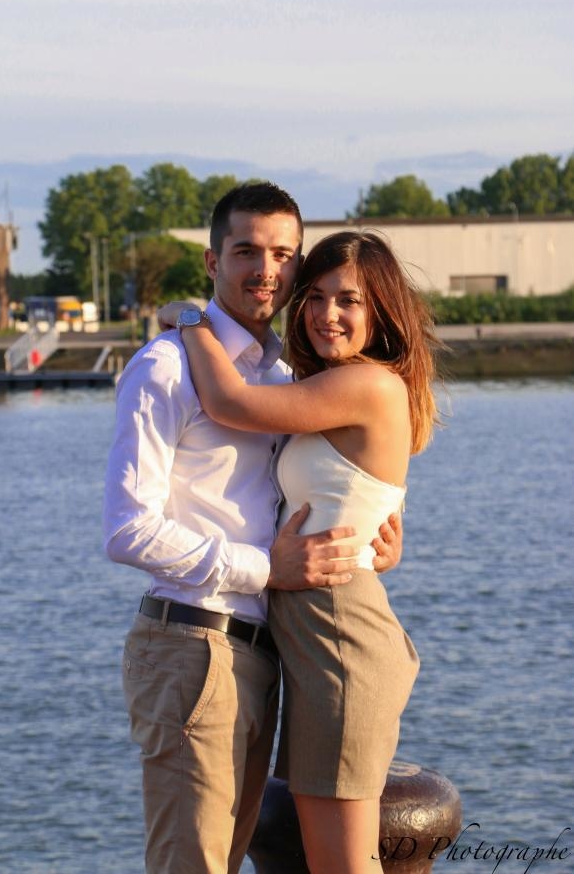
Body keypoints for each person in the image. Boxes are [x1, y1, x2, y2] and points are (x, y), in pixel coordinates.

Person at [102, 183, 403, 874]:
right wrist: (266, 568)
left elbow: (341, 483)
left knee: (232, 856)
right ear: (213, 261)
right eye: (246, 251)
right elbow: (128, 528)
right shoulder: (168, 366)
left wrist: (377, 536)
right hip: (193, 645)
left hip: (270, 655)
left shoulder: (290, 374)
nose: (266, 270)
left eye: (282, 255)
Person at [178, 229, 440, 874]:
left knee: (340, 865)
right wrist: (383, 540)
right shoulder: (339, 386)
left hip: (339, 638)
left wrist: (189, 323)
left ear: (381, 310)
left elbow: (230, 401)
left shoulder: (369, 385)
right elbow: (363, 495)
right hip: (319, 638)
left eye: (348, 300)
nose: (327, 314)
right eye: (316, 297)